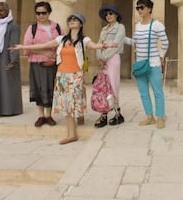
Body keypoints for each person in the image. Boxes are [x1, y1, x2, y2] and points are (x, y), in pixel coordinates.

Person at [10, 13, 116, 144]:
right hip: (61, 76)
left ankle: (72, 133)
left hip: (75, 75)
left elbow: (93, 45)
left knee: (71, 104)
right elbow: (43, 45)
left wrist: (105, 46)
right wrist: (23, 47)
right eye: (70, 19)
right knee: (66, 105)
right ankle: (74, 129)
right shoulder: (61, 39)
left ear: (81, 24)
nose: (72, 21)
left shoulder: (84, 40)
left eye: (75, 20)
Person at [126, 0, 169, 129]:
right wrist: (122, 38)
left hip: (153, 63)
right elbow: (135, 42)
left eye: (142, 7)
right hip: (140, 63)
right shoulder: (138, 26)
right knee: (143, 92)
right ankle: (149, 117)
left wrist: (161, 56)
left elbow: (165, 42)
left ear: (149, 8)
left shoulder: (157, 25)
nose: (139, 10)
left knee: (157, 91)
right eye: (137, 8)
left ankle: (160, 117)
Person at [23, 1, 62, 127]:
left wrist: (54, 57)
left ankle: (48, 115)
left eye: (43, 13)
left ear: (49, 13)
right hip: (37, 62)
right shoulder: (32, 28)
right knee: (38, 89)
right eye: (38, 13)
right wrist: (45, 52)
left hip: (53, 63)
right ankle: (40, 115)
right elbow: (27, 47)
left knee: (50, 88)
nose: (40, 15)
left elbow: (61, 44)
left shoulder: (56, 27)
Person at [94, 5, 126, 128]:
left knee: (113, 85)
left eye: (111, 13)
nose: (108, 16)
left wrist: (104, 58)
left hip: (112, 58)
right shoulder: (104, 29)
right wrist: (99, 57)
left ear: (116, 15)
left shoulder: (120, 27)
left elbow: (116, 44)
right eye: (106, 14)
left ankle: (117, 113)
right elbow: (99, 43)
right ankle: (104, 114)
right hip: (103, 59)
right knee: (103, 86)